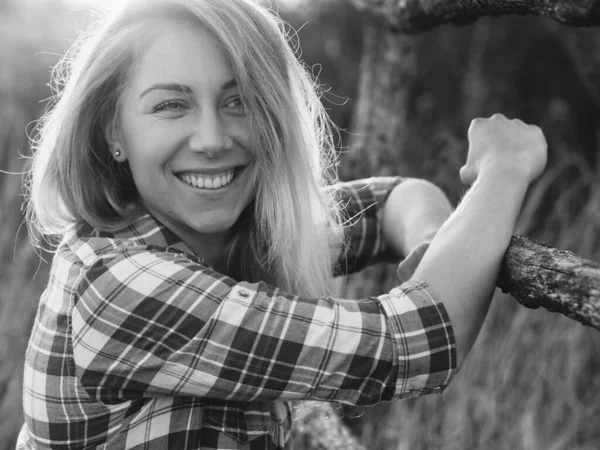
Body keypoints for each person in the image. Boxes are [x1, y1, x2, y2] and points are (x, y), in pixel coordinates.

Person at [18, 0, 547, 449]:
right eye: (171, 105)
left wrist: (436, 245)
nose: (211, 138)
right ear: (113, 129)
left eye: (238, 100)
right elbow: (412, 344)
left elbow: (393, 201)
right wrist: (504, 169)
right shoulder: (122, 287)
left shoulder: (223, 233)